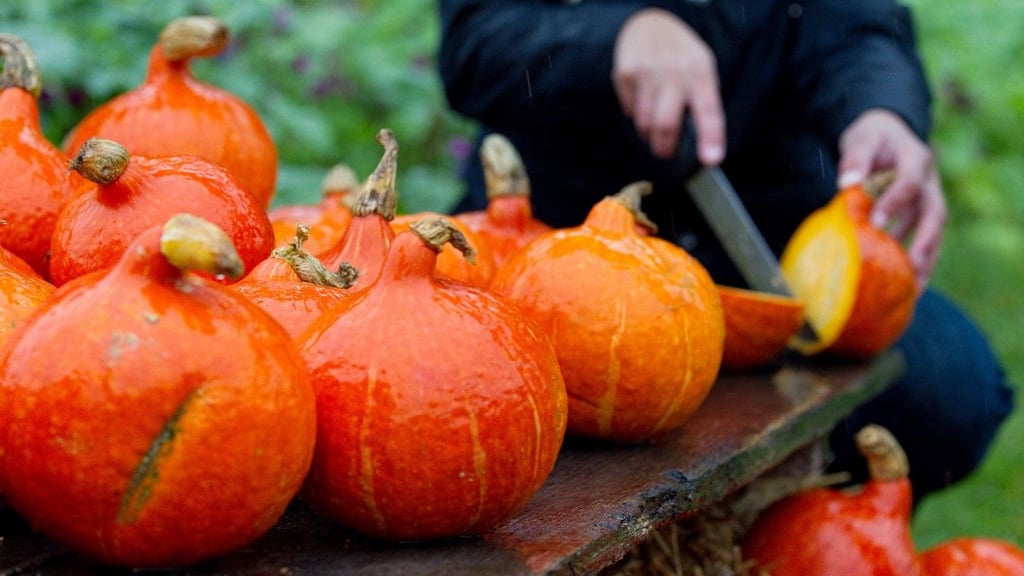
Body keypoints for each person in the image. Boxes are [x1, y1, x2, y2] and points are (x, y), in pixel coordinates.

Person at [437, 0, 1015, 503]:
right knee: (471, 415)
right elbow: (476, 40)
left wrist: (879, 109)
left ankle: (811, 524)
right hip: (558, 255)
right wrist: (614, 36)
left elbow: (855, 26)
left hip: (774, 233)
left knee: (953, 390)